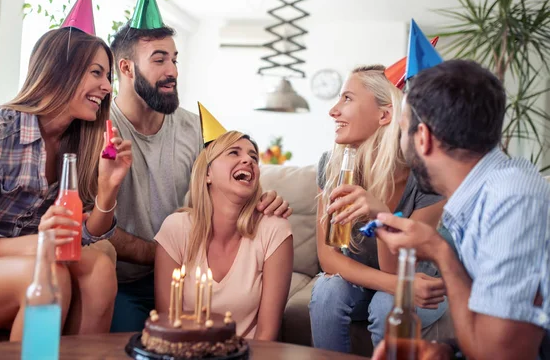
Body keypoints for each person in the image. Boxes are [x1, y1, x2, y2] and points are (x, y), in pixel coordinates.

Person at [107, 0, 291, 333]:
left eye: (174, 59)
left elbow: (231, 176)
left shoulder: (195, 130)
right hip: (125, 281)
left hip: (191, 278)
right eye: (159, 59)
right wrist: (163, 250)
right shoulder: (102, 131)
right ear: (127, 69)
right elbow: (90, 223)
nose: (173, 71)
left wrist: (264, 200)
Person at [0, 27, 132, 340]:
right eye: (96, 73)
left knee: (100, 271)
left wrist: (108, 186)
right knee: (50, 274)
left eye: (108, 77)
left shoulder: (82, 144)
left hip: (34, 255)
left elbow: (83, 237)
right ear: (61, 72)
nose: (106, 87)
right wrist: (43, 245)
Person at [372, 59, 550, 360]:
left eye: (401, 130)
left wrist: (440, 252)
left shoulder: (512, 199)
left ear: (423, 137)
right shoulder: (484, 196)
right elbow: (493, 323)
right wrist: (446, 349)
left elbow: (502, 355)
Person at [309, 65, 451, 353]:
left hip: (420, 283)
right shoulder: (333, 166)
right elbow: (329, 258)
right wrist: (392, 284)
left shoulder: (427, 180)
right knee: (327, 291)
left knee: (387, 304)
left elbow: (399, 270)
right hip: (379, 281)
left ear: (385, 115)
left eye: (347, 98)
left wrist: (381, 217)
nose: (333, 111)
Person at [154, 130, 294, 339]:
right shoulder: (176, 228)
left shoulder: (274, 229)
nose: (248, 160)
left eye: (253, 157)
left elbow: (267, 335)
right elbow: (167, 325)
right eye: (234, 153)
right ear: (207, 173)